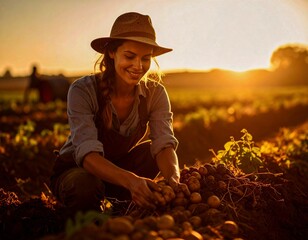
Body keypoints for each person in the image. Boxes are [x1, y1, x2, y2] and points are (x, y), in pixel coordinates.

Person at [50, 12, 181, 215]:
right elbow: (87, 155)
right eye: (130, 56)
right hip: (78, 171)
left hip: (119, 170)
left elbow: (164, 143)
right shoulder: (83, 91)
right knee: (85, 185)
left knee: (152, 153)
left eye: (145, 59)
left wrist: (174, 178)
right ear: (112, 52)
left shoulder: (155, 93)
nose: (138, 66)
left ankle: (122, 205)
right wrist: (131, 181)